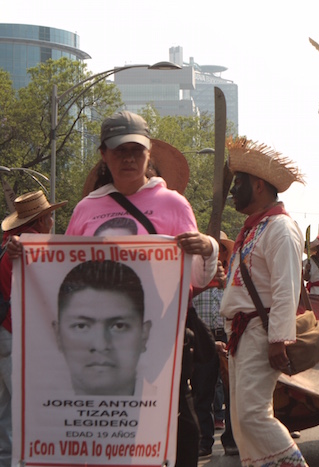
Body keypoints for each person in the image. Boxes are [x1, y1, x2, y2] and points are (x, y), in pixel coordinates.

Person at [56, 110, 218, 467]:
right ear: (103, 155)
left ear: (149, 154)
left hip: (163, 339)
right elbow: (62, 274)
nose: (128, 158)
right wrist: (24, 255)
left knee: (174, 420)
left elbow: (196, 280)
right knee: (109, 427)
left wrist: (208, 249)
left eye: (136, 150)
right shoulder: (86, 210)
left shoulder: (174, 204)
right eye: (118, 150)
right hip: (105, 345)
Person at [218, 136, 308, 467]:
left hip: (259, 331)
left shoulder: (281, 228)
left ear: (258, 186)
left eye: (238, 183)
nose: (232, 191)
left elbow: (287, 289)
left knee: (253, 416)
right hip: (242, 334)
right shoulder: (254, 229)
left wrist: (278, 340)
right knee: (242, 422)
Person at [0, 191, 66, 467]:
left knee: (5, 413)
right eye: (49, 217)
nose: (52, 222)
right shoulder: (28, 246)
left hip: (5, 334)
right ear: (42, 219)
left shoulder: (7, 244)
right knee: (27, 411)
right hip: (18, 335)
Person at [53, 260, 151, 395]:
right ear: (58, 335)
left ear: (144, 334)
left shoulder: (164, 410)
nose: (100, 345)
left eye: (119, 326)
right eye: (82, 326)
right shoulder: (37, 413)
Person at [190, 232, 238, 458]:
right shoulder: (194, 278)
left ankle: (231, 439)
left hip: (229, 337)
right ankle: (204, 441)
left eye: (220, 250)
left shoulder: (235, 276)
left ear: (226, 253)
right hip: (202, 338)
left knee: (231, 393)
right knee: (202, 392)